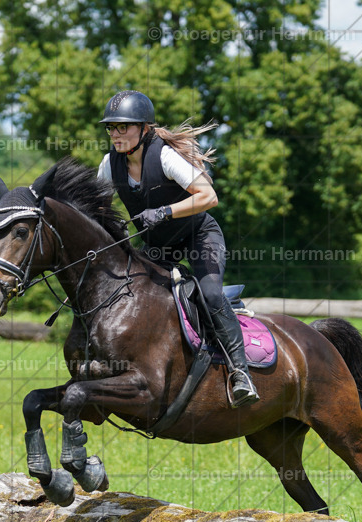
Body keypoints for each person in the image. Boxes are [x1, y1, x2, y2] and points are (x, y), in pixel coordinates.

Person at [96, 90, 259, 407]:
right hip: (157, 246)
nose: (115, 134)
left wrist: (165, 211)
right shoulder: (109, 165)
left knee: (210, 294)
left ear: (144, 129)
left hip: (198, 236)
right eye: (111, 128)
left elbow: (208, 197)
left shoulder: (166, 156)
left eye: (123, 127)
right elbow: (97, 211)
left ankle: (241, 372)